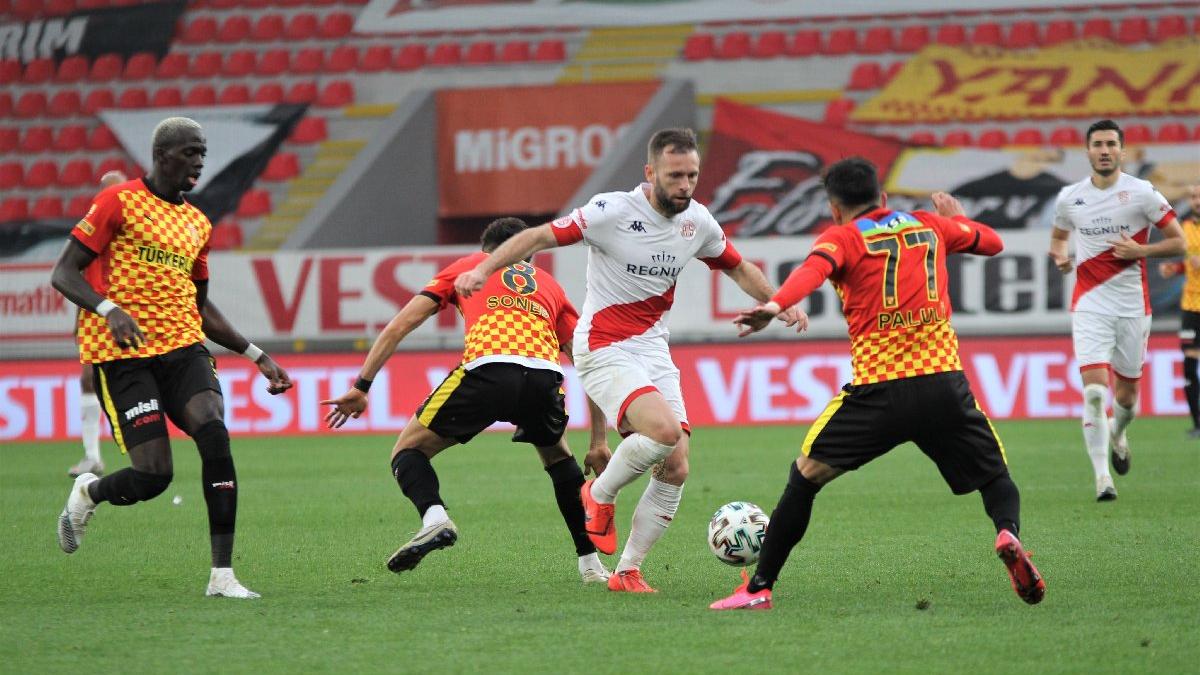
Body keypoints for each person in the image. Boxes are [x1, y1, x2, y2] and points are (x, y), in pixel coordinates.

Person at [454, 128, 806, 593]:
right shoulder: (611, 211)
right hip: (602, 345)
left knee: (676, 464)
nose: (685, 184)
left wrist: (778, 302)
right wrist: (482, 268)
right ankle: (596, 494)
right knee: (661, 433)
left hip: (652, 348)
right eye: (675, 174)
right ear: (650, 172)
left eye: (692, 175)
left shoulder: (697, 222)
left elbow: (738, 266)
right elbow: (540, 234)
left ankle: (627, 571)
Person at [710, 157, 1044, 610]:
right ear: (883, 198)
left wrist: (774, 306)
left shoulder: (842, 237)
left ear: (833, 207)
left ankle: (758, 588)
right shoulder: (930, 226)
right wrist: (956, 219)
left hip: (879, 392)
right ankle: (1007, 532)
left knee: (804, 478)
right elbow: (994, 243)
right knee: (995, 477)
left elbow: (813, 270)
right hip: (943, 382)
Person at [50, 117, 293, 599]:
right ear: (162, 155)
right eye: (190, 152)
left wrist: (256, 354)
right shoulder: (118, 202)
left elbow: (200, 307)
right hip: (124, 357)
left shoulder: (197, 223)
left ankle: (222, 575)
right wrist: (108, 308)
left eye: (203, 153)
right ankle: (88, 493)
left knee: (213, 429)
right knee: (154, 476)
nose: (200, 161)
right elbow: (64, 273)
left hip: (183, 348)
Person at [322, 217, 614, 583]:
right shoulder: (551, 286)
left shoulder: (468, 268)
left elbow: (400, 325)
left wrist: (362, 385)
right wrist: (600, 441)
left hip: (488, 370)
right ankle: (590, 566)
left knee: (407, 452)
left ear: (487, 251)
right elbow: (588, 362)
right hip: (543, 375)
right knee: (559, 461)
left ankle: (434, 518)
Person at [1048, 119, 1184, 501]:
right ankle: (1101, 478)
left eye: (1111, 144)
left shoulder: (1142, 194)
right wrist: (1059, 255)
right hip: (1089, 304)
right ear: (1087, 151)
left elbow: (1180, 243)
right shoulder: (1069, 197)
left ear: (1122, 151)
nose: (1104, 150)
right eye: (1097, 144)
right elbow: (1059, 238)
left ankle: (1119, 433)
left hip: (1132, 308)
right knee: (1093, 392)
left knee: (1125, 401)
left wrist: (1142, 251)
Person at [68, 169, 129, 478]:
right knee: (88, 378)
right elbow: (76, 277)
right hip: (98, 314)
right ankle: (92, 455)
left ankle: (145, 445)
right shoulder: (93, 228)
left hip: (134, 314)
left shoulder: (135, 229)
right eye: (106, 192)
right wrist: (80, 319)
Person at [1157, 183, 1200, 438]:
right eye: (1193, 197)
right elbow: (1189, 264)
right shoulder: (1183, 229)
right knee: (1188, 365)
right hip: (1190, 308)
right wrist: (1176, 269)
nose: (1196, 201)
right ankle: (1197, 424)